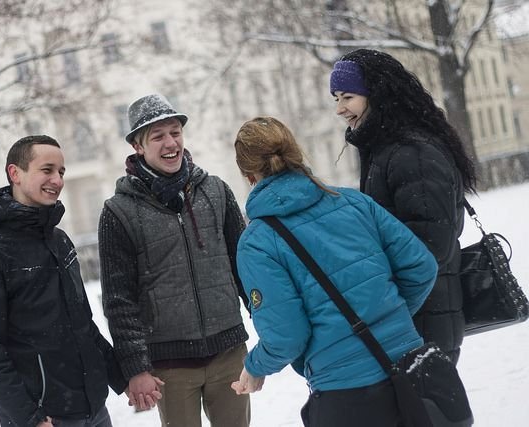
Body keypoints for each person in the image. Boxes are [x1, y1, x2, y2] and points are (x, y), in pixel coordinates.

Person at [230, 117, 438, 426]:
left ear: (248, 175)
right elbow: (421, 266)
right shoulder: (352, 202)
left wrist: (255, 367)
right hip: (411, 368)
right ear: (295, 154)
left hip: (347, 393)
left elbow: (287, 335)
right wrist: (388, 317)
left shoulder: (257, 242)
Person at [98, 94, 251, 427]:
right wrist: (136, 366)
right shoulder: (119, 212)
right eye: (158, 136)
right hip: (170, 365)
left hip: (228, 351)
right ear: (138, 146)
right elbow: (118, 299)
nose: (170, 143)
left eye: (175, 132)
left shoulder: (216, 191)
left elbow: (245, 267)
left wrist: (268, 320)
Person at [0, 135, 128, 427]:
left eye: (61, 172)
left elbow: (82, 325)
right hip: (45, 417)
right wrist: (30, 417)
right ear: (15, 173)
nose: (57, 180)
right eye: (47, 169)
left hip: (93, 410)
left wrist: (124, 378)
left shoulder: (59, 240)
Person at [329, 48, 478, 364]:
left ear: (377, 94)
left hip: (422, 318)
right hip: (413, 315)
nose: (340, 109)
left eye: (348, 97)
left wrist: (386, 302)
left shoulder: (412, 154)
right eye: (336, 99)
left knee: (424, 411)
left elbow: (428, 246)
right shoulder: (386, 150)